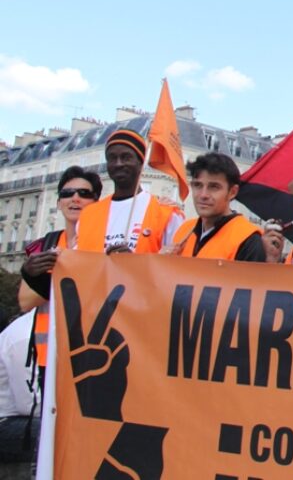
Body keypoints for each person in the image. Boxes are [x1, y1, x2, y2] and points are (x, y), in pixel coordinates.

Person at [18, 166, 103, 389]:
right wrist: (60, 268)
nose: (75, 198)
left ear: (97, 203)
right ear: (58, 203)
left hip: (92, 358)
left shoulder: (104, 245)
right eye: (67, 193)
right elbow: (25, 301)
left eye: (84, 194)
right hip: (50, 358)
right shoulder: (46, 244)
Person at [74, 128, 184, 254]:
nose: (118, 164)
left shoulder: (166, 213)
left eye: (126, 157)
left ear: (140, 162)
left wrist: (132, 263)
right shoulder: (88, 215)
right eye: (112, 158)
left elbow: (177, 267)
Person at [167, 153, 265, 261]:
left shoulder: (248, 239)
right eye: (197, 185)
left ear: (232, 192)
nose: (203, 195)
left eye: (214, 187)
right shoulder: (184, 230)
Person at [0, 311, 37, 464]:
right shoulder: (24, 336)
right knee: (67, 432)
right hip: (6, 422)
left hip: (22, 416)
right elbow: (29, 405)